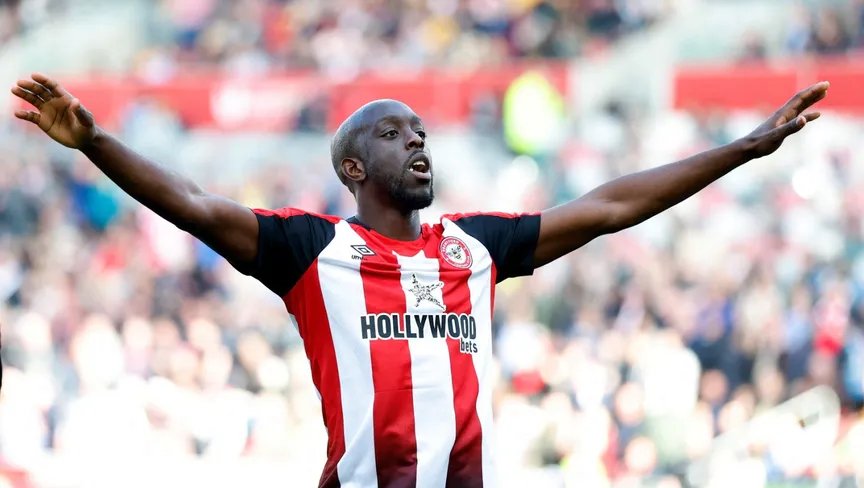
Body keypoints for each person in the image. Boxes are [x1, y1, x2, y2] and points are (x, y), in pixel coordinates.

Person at [10, 73, 828, 488]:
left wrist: (743, 149)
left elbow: (610, 207)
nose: (417, 141)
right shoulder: (310, 251)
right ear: (354, 167)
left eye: (421, 131)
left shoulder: (475, 248)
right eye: (393, 134)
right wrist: (95, 141)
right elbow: (193, 204)